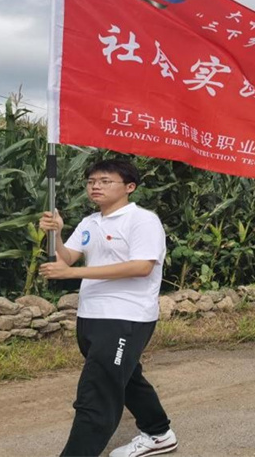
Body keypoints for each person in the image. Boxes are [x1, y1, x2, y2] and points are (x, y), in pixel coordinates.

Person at [39, 159, 177, 457]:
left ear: (130, 187)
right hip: (91, 315)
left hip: (126, 315)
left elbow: (141, 266)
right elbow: (66, 259)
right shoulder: (90, 222)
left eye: (105, 181)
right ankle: (159, 433)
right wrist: (57, 234)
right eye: (91, 182)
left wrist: (72, 273)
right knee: (125, 378)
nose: (95, 187)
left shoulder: (142, 220)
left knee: (97, 392)